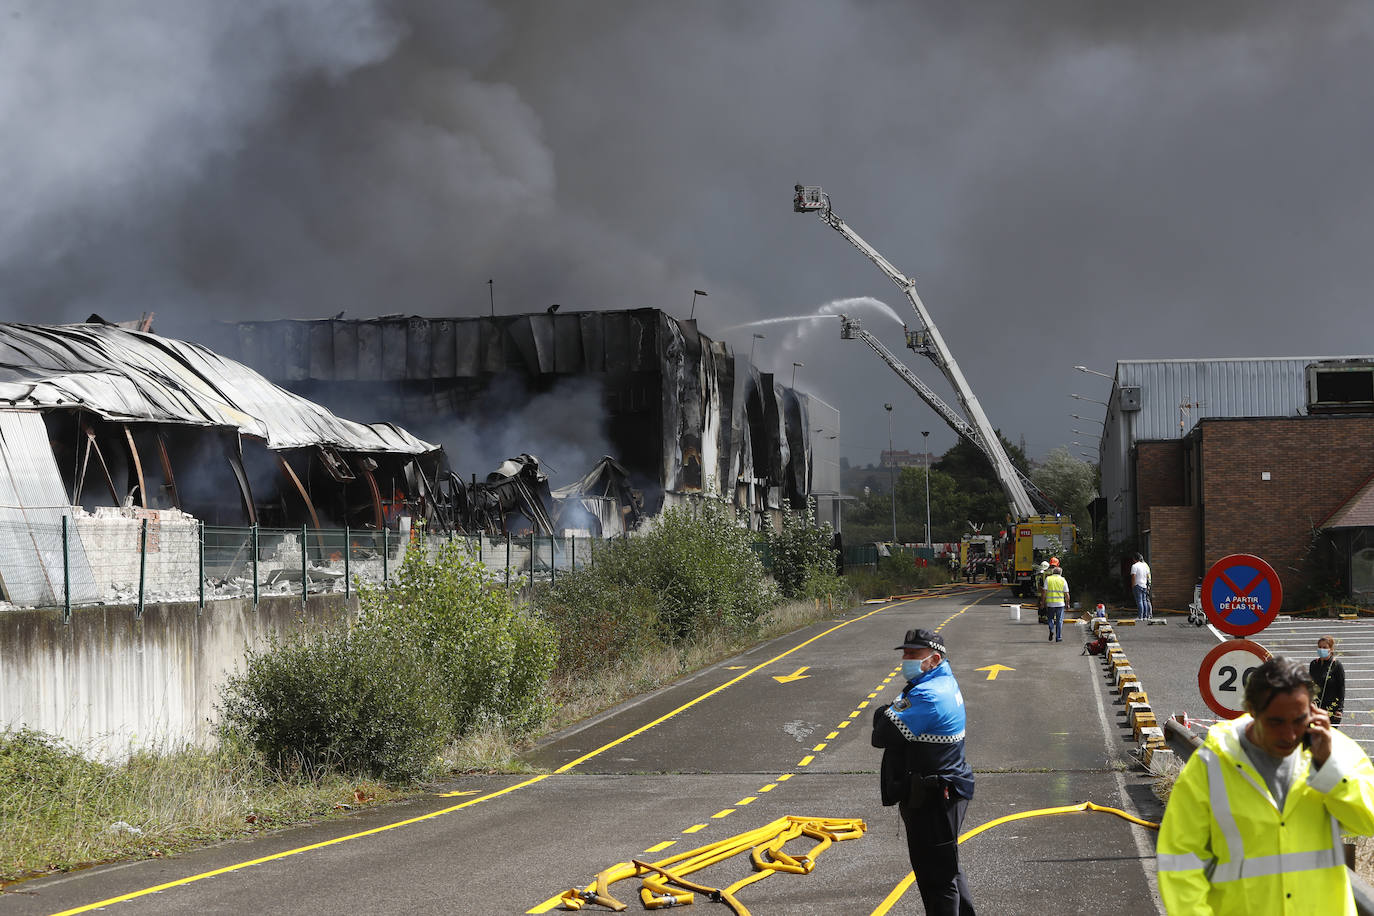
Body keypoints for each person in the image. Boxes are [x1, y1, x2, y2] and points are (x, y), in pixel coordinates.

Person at [1157, 656, 1374, 914]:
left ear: (1313, 711)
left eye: (1298, 720)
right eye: (1276, 722)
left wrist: (1329, 767)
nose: (1290, 734)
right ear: (1251, 710)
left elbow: (1367, 822)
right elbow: (1181, 862)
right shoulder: (1212, 764)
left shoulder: (1335, 750)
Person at [871, 628, 976, 915]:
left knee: (936, 880)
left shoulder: (929, 695)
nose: (905, 659)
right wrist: (891, 709)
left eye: (913, 654)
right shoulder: (940, 682)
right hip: (942, 792)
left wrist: (889, 709)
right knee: (947, 869)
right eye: (905, 653)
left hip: (933, 799)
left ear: (934, 658)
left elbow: (881, 733)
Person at [1311, 635, 1346, 727]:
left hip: (1332, 709)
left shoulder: (1336, 665)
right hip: (1316, 707)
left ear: (1331, 649)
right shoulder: (1314, 664)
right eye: (1320, 647)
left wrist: (1340, 709)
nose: (1321, 649)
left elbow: (1341, 688)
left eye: (1325, 647)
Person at [1041, 559, 1069, 642]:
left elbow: (1044, 592)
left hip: (1050, 604)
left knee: (1050, 619)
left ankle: (1051, 629)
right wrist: (1068, 603)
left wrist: (1043, 602)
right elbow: (1067, 594)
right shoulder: (1063, 580)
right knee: (1059, 620)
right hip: (1060, 604)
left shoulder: (1048, 579)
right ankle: (1058, 637)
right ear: (1060, 573)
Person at [1130, 552, 1152, 620]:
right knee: (1144, 600)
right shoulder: (1144, 565)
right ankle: (1145, 616)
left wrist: (1133, 585)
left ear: (1134, 559)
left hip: (1137, 585)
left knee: (1139, 601)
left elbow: (1133, 576)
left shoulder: (1134, 566)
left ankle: (1140, 617)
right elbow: (1147, 575)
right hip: (1144, 585)